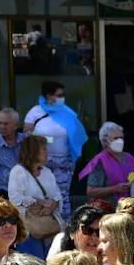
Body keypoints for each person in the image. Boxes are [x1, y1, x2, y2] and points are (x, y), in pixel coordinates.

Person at [23, 80, 87, 218]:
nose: (62, 98)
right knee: (42, 195)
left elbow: (76, 136)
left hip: (63, 164)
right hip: (40, 164)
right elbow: (26, 136)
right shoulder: (35, 112)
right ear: (48, 96)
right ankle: (44, 227)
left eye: (63, 95)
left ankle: (63, 228)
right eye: (59, 95)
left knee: (61, 197)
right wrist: (44, 139)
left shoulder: (67, 112)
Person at [7, 135, 62, 254]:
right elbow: (15, 199)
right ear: (33, 151)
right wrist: (39, 203)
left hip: (48, 227)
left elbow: (57, 194)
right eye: (44, 150)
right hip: (29, 228)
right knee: (34, 263)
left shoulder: (47, 172)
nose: (47, 153)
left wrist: (53, 205)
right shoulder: (18, 171)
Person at [79, 121, 134, 208]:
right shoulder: (100, 161)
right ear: (105, 141)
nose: (120, 141)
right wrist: (115, 188)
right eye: (116, 138)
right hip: (107, 211)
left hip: (128, 208)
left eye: (121, 137)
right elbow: (91, 191)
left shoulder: (129, 158)